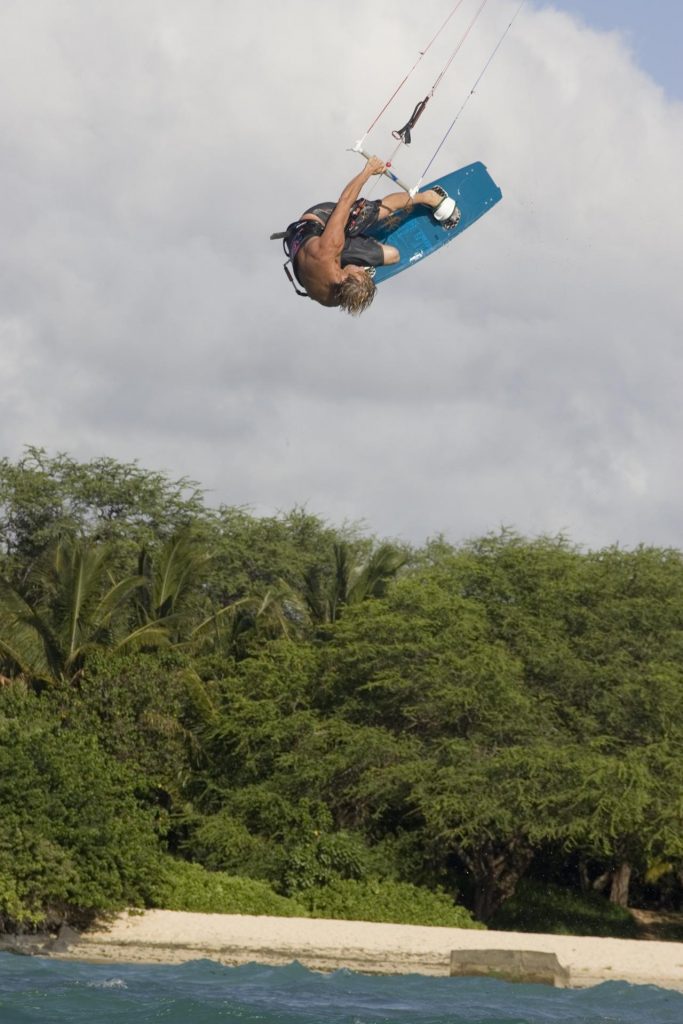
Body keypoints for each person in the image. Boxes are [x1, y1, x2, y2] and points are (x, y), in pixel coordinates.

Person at [280, 156, 460, 315]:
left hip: (317, 222)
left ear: (343, 278)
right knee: (393, 256)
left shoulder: (330, 247)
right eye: (361, 271)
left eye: (359, 272)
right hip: (313, 255)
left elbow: (345, 200)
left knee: (375, 212)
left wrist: (368, 170)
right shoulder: (330, 300)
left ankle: (429, 197)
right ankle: (355, 250)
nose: (361, 269)